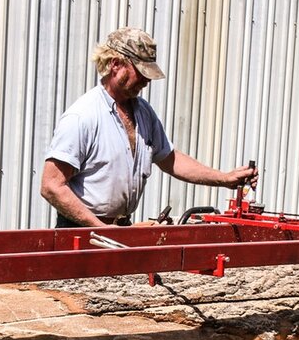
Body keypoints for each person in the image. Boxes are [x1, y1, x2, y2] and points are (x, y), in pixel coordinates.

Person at [39, 27, 258, 228]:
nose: (146, 80)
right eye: (141, 71)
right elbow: (51, 186)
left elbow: (169, 159)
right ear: (116, 64)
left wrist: (225, 178)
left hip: (118, 230)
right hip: (81, 232)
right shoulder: (83, 116)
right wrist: (100, 228)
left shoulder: (143, 112)